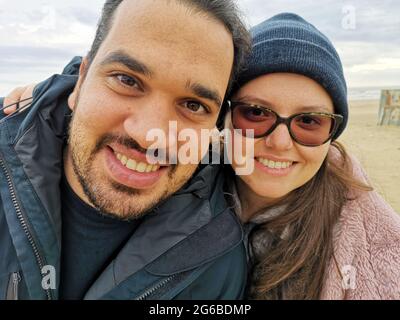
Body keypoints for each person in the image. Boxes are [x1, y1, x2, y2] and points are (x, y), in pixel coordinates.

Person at [0, 0, 251, 300]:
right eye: (127, 80)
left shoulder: (218, 262)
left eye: (193, 105)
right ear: (81, 80)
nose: (149, 137)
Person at [223, 13, 400, 299]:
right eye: (256, 112)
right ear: (226, 116)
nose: (279, 143)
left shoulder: (376, 246)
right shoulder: (174, 189)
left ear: (332, 133)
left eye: (309, 121)